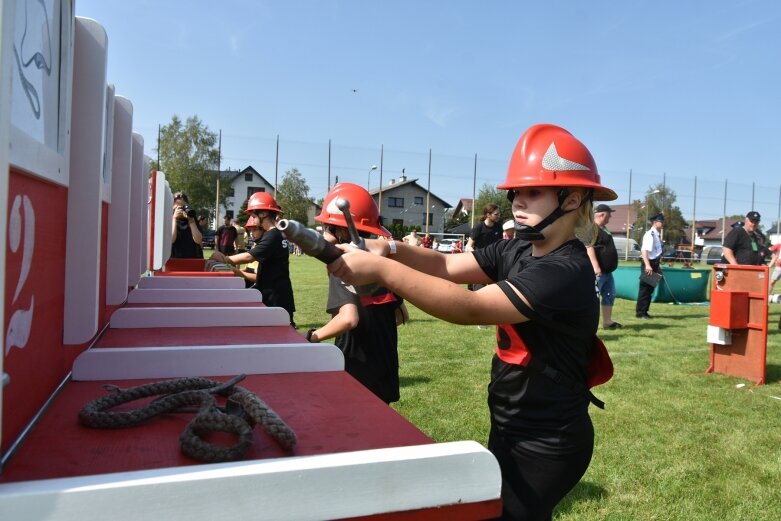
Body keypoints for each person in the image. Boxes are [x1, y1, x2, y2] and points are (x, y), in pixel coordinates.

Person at [326, 124, 615, 520]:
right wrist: (390, 248)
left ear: (572, 198)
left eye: (534, 192)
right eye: (516, 192)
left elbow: (470, 308)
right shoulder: (518, 249)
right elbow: (446, 264)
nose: (517, 201)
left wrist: (382, 269)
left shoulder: (565, 269)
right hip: (513, 423)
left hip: (548, 439)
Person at [306, 182, 406, 404]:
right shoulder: (382, 263)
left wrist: (311, 337)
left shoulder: (341, 263)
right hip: (384, 368)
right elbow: (401, 316)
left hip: (355, 369)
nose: (322, 234)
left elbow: (349, 319)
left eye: (326, 227)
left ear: (342, 230)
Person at [212, 192, 296, 327]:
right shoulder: (276, 234)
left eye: (253, 215)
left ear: (263, 214)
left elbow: (249, 256)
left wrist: (224, 259)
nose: (252, 219)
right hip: (276, 294)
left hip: (275, 297)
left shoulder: (272, 235)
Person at [586, 204, 622, 329]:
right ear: (602, 214)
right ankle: (588, 324)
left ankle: (607, 322)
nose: (611, 216)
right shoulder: (592, 228)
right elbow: (589, 247)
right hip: (598, 273)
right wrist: (596, 267)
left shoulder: (604, 229)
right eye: (609, 213)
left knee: (609, 295)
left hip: (607, 273)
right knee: (592, 298)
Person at [636, 213, 664, 320]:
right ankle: (641, 312)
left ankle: (645, 311)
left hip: (654, 264)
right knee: (645, 289)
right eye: (660, 222)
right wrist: (647, 265)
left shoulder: (656, 234)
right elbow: (644, 250)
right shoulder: (650, 234)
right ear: (654, 222)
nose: (662, 224)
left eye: (662, 222)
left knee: (650, 289)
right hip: (649, 264)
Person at [171, 192, 203, 258]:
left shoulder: (192, 219)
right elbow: (171, 240)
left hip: (192, 259)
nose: (182, 210)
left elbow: (198, 240)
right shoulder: (169, 219)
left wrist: (191, 221)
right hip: (175, 259)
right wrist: (174, 219)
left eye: (184, 207)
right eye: (179, 207)